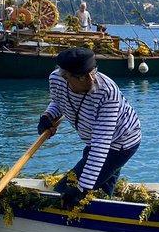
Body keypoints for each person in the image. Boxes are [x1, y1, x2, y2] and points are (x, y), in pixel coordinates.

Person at [39, 47, 142, 207]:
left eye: (93, 72)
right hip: (94, 140)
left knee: (65, 190)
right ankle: (105, 205)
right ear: (66, 76)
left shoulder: (107, 93)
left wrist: (81, 188)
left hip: (121, 141)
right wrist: (48, 116)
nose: (90, 79)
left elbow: (101, 145)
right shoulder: (56, 80)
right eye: (81, 76)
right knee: (101, 187)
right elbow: (59, 101)